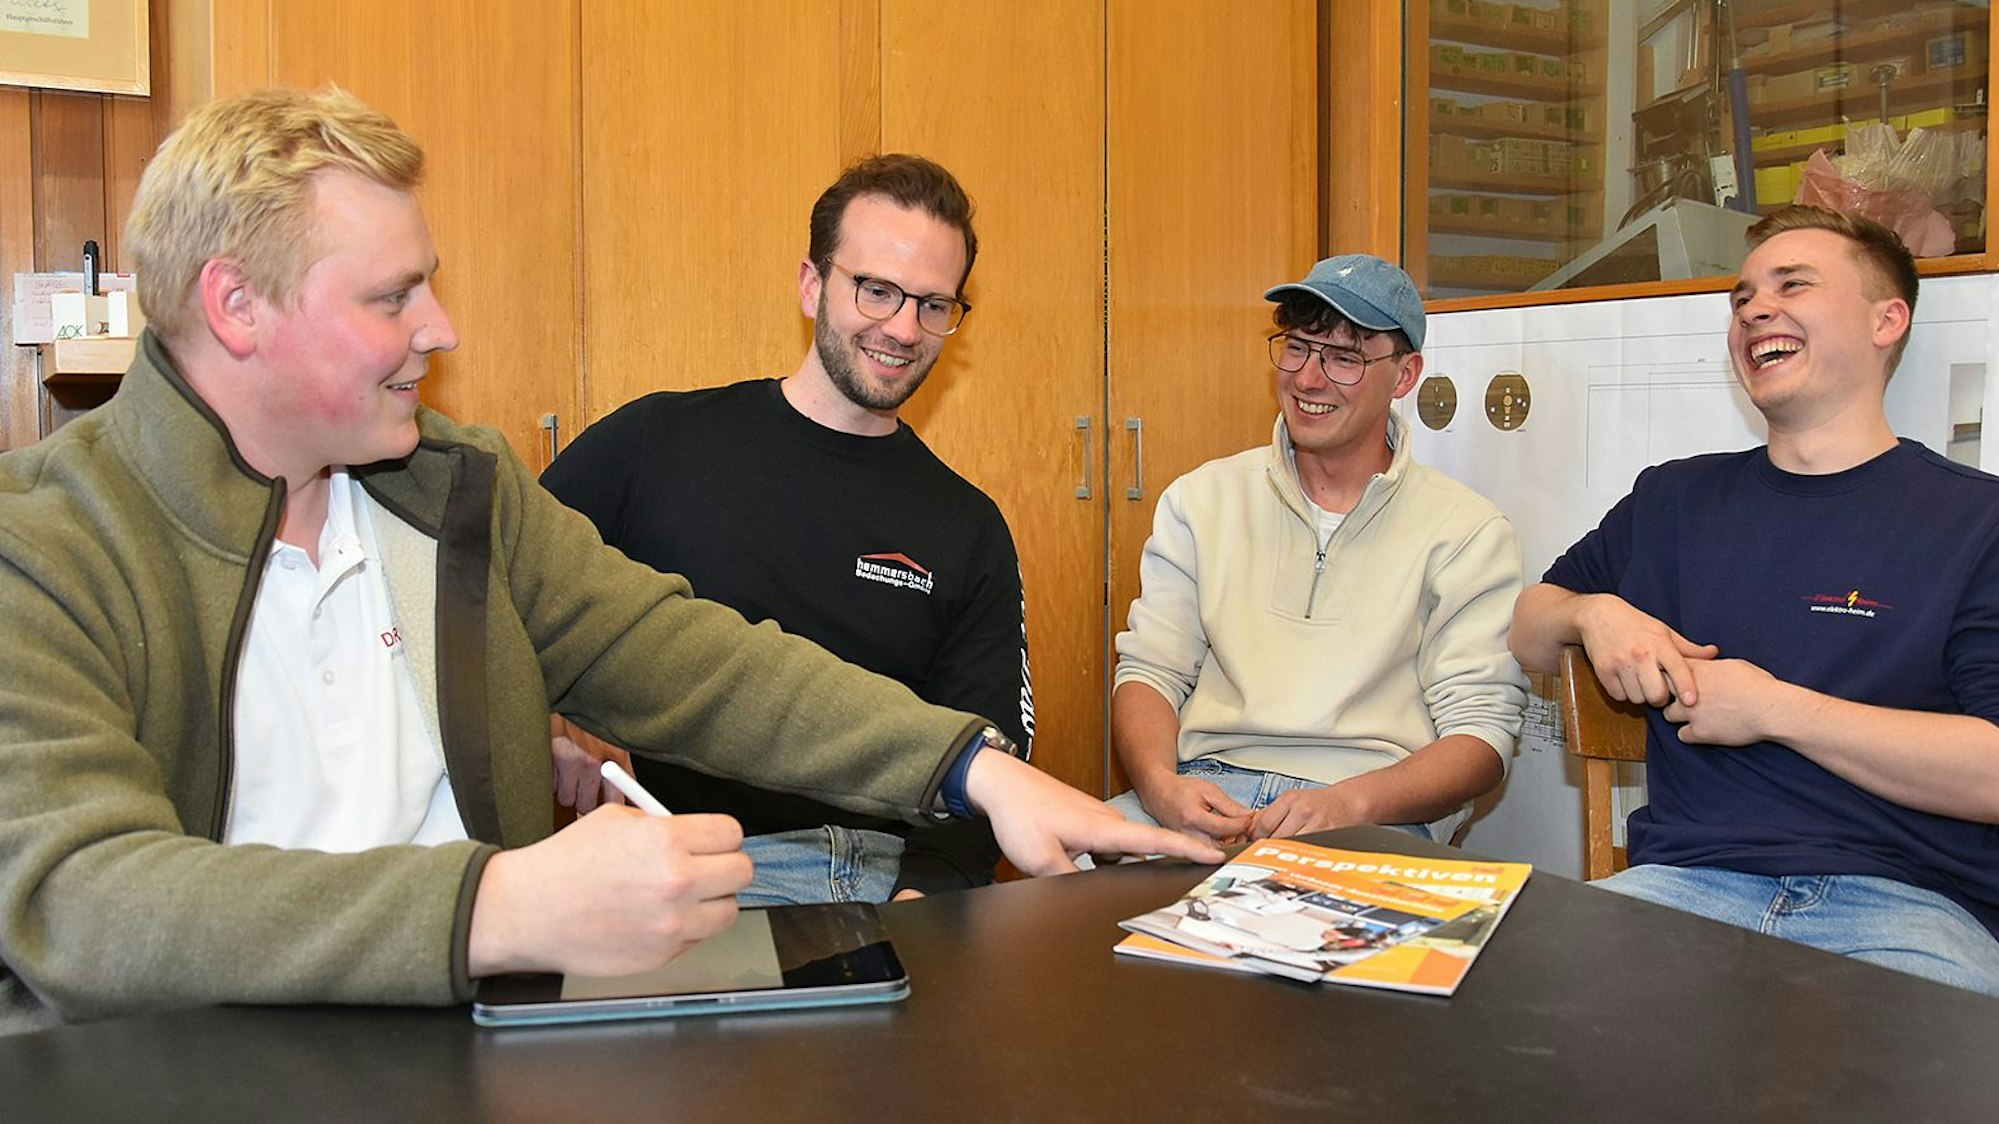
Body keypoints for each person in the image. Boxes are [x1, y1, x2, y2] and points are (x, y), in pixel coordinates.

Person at [0, 87, 1216, 1034]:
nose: (441, 329)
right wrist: (501, 904)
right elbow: (79, 898)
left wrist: (971, 768)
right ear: (235, 307)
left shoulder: (454, 489)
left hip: (484, 1039)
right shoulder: (44, 545)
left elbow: (689, 657)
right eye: (393, 298)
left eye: (432, 286)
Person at [1510, 205, 1999, 996]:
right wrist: (1593, 613)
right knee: (1505, 1024)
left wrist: (1774, 708)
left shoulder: (1978, 522)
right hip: (1679, 890)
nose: (1754, 309)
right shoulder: (1674, 499)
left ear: (1887, 320)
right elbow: (1530, 631)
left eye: (1792, 284)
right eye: (1741, 298)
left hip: (1911, 914)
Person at [541, 154, 1026, 904]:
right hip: (664, 868)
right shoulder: (653, 444)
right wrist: (548, 722)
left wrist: (923, 909)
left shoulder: (969, 528)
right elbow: (492, 592)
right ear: (811, 284)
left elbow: (990, 758)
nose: (903, 328)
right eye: (876, 290)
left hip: (867, 881)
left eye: (934, 304)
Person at [1107, 254, 1526, 847]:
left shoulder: (1467, 531)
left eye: (1345, 358)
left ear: (1405, 375)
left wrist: (1347, 804)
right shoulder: (1201, 500)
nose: (1308, 378)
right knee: (1058, 891)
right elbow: (1150, 671)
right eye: (1298, 346)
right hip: (1204, 791)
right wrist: (1157, 786)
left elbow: (1482, 738)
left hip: (1369, 811)